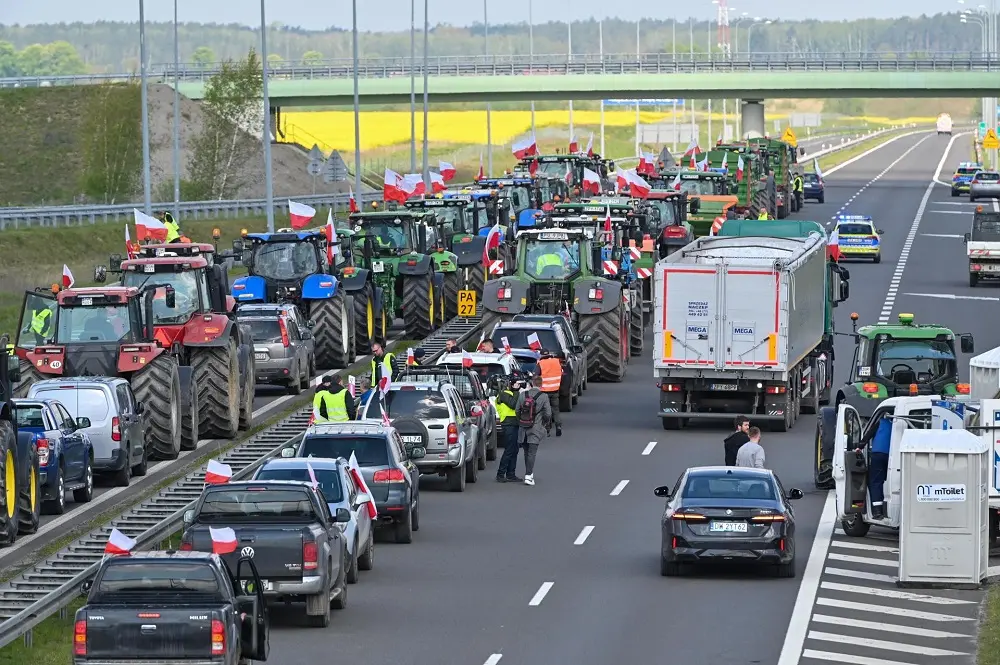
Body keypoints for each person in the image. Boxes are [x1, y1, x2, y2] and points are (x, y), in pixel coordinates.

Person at [515, 374, 552, 486]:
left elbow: (517, 410)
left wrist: (521, 421)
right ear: (541, 384)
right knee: (532, 453)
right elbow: (548, 414)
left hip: (523, 427)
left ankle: (529, 474)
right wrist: (543, 423)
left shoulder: (523, 394)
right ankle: (528, 475)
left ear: (531, 384)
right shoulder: (544, 396)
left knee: (526, 452)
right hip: (536, 428)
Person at [494, 376, 522, 482]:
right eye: (516, 384)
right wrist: (516, 391)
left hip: (514, 423)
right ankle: (500, 474)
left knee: (515, 450)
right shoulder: (503, 394)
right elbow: (513, 405)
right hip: (508, 424)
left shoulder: (510, 393)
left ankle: (511, 474)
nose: (518, 386)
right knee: (509, 450)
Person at [867, 414, 892, 519]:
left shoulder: (881, 422)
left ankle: (877, 511)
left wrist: (859, 446)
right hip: (893, 455)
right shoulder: (899, 424)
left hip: (878, 454)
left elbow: (868, 435)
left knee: (876, 481)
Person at [536, 350, 563, 436]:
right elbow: (561, 372)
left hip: (544, 391)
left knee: (546, 410)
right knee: (555, 409)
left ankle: (547, 429)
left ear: (541, 355)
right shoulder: (556, 361)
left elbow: (536, 375)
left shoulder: (541, 363)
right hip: (555, 390)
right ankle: (558, 426)